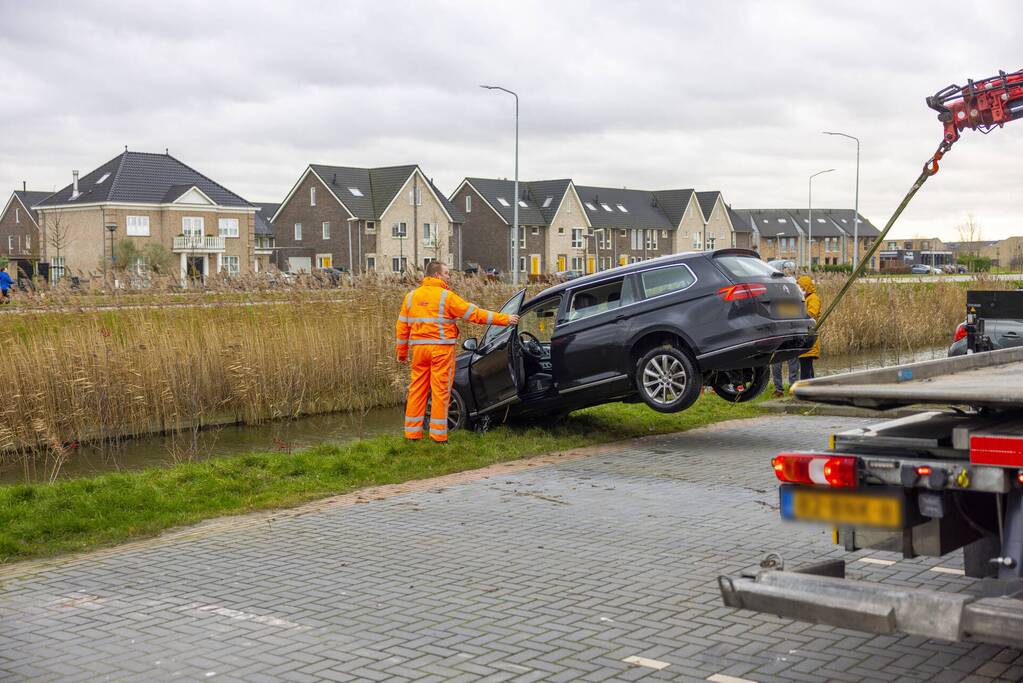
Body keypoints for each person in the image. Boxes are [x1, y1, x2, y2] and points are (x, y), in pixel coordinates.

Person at [395, 261, 519, 443]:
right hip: (441, 350)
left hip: (419, 351)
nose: (448, 276)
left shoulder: (411, 297)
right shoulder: (446, 297)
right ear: (437, 275)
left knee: (417, 390)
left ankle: (412, 435)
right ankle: (438, 436)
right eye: (446, 273)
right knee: (440, 392)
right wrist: (505, 319)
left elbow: (402, 328)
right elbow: (475, 314)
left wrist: (402, 353)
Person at [797, 274, 821, 379]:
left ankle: (805, 391)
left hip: (809, 337)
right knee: (808, 367)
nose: (799, 289)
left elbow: (812, 313)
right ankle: (812, 389)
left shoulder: (813, 298)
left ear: (806, 286)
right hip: (806, 336)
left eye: (801, 287)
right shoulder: (806, 298)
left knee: (805, 369)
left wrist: (798, 316)